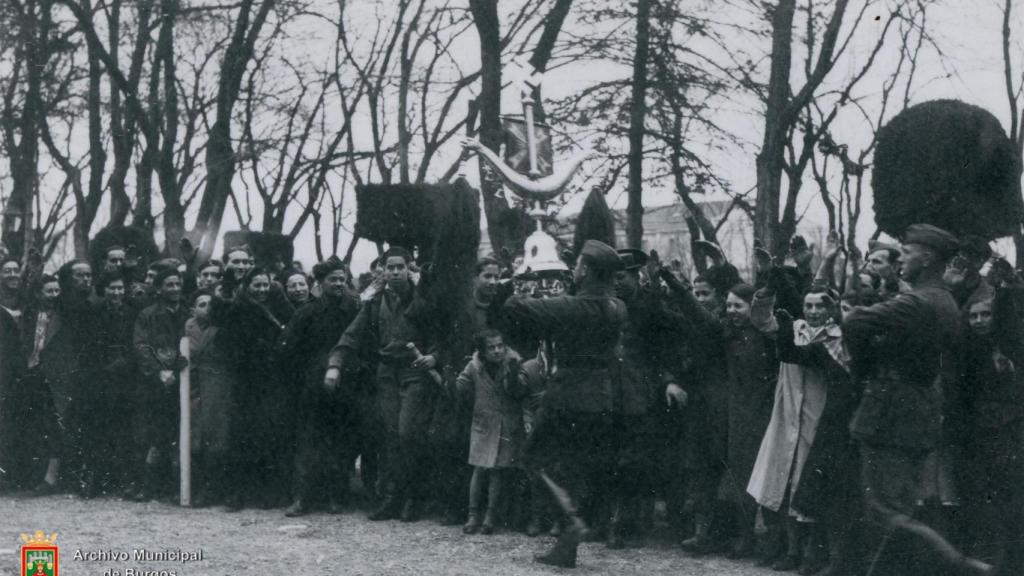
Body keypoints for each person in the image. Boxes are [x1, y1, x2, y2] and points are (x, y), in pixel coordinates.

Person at [844, 224, 992, 576]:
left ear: (927, 258)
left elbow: (853, 322)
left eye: (907, 252)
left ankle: (962, 566)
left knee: (884, 512)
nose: (901, 260)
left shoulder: (916, 302)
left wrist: (866, 365)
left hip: (890, 414)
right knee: (893, 513)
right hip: (919, 412)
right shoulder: (944, 300)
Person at [502, 239, 627, 568]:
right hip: (602, 398)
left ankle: (569, 521)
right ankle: (566, 547)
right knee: (574, 469)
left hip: (567, 397)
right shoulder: (617, 307)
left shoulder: (571, 306)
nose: (574, 269)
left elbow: (516, 308)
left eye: (578, 266)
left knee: (532, 459)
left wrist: (519, 277)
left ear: (585, 270)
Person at [326, 247, 439, 523]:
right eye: (391, 268)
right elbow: (351, 335)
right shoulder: (375, 302)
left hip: (415, 372)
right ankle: (392, 498)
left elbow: (440, 334)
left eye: (401, 267)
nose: (396, 272)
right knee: (389, 436)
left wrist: (434, 356)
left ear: (410, 268)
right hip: (386, 374)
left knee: (407, 433)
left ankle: (413, 498)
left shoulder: (422, 299)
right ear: (383, 271)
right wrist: (334, 365)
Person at [746, 287, 846, 574]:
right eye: (808, 305)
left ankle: (811, 554)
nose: (813, 312)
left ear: (831, 308)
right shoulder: (794, 329)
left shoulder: (838, 337)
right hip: (787, 416)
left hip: (818, 420)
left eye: (820, 306)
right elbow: (761, 320)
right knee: (785, 486)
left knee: (811, 487)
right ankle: (790, 551)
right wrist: (766, 293)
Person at [608, 249, 688, 549]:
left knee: (638, 459)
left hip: (645, 395)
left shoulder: (652, 305)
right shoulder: (609, 304)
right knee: (619, 458)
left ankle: (629, 523)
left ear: (635, 275)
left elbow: (668, 348)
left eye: (622, 277)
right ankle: (620, 522)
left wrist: (668, 380)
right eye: (612, 277)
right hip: (614, 393)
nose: (616, 283)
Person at [280, 258, 359, 517]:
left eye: (341, 279)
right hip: (313, 385)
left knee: (340, 440)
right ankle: (302, 498)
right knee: (308, 440)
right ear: (320, 283)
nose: (338, 283)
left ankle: (336, 495)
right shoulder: (307, 312)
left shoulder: (354, 309)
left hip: (345, 384)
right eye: (332, 279)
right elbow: (288, 347)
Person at [213, 266, 294, 509]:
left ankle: (267, 492)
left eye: (265, 285)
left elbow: (291, 330)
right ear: (247, 286)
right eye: (256, 285)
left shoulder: (277, 307)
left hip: (272, 379)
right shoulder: (237, 308)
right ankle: (238, 493)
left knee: (269, 434)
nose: (261, 290)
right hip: (246, 380)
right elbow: (225, 341)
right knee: (242, 435)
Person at [718, 282, 778, 560]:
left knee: (765, 476)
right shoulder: (728, 333)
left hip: (765, 411)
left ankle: (769, 541)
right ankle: (745, 537)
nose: (732, 311)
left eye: (737, 305)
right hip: (738, 412)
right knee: (740, 475)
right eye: (728, 305)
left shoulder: (766, 335)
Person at [457, 329, 526, 535]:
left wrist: (514, 374)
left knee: (497, 471)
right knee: (479, 469)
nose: (497, 351)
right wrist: (450, 382)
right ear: (482, 351)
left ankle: (490, 516)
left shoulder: (513, 362)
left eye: (500, 346)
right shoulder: (474, 366)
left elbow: (519, 391)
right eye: (491, 347)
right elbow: (461, 387)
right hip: (483, 422)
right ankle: (472, 515)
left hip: (506, 423)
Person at [131, 268, 189, 501]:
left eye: (177, 284)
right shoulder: (148, 315)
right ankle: (148, 485)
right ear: (159, 288)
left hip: (184, 381)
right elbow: (141, 345)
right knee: (154, 435)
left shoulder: (189, 312)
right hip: (155, 383)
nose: (174, 289)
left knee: (181, 433)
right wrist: (159, 372)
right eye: (169, 285)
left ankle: (178, 487)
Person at [89, 270, 140, 496]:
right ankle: (97, 479)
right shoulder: (95, 311)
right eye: (112, 288)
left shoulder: (132, 313)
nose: (117, 292)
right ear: (104, 290)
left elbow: (136, 343)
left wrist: (123, 364)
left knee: (124, 428)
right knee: (100, 426)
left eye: (120, 288)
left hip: (127, 374)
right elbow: (88, 342)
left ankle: (125, 479)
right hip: (99, 372)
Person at [184, 290, 235, 507]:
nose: (207, 308)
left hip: (218, 384)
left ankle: (214, 487)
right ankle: (197, 487)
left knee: (218, 436)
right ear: (193, 308)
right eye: (202, 304)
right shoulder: (187, 327)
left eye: (210, 304)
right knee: (195, 437)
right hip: (194, 385)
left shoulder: (222, 328)